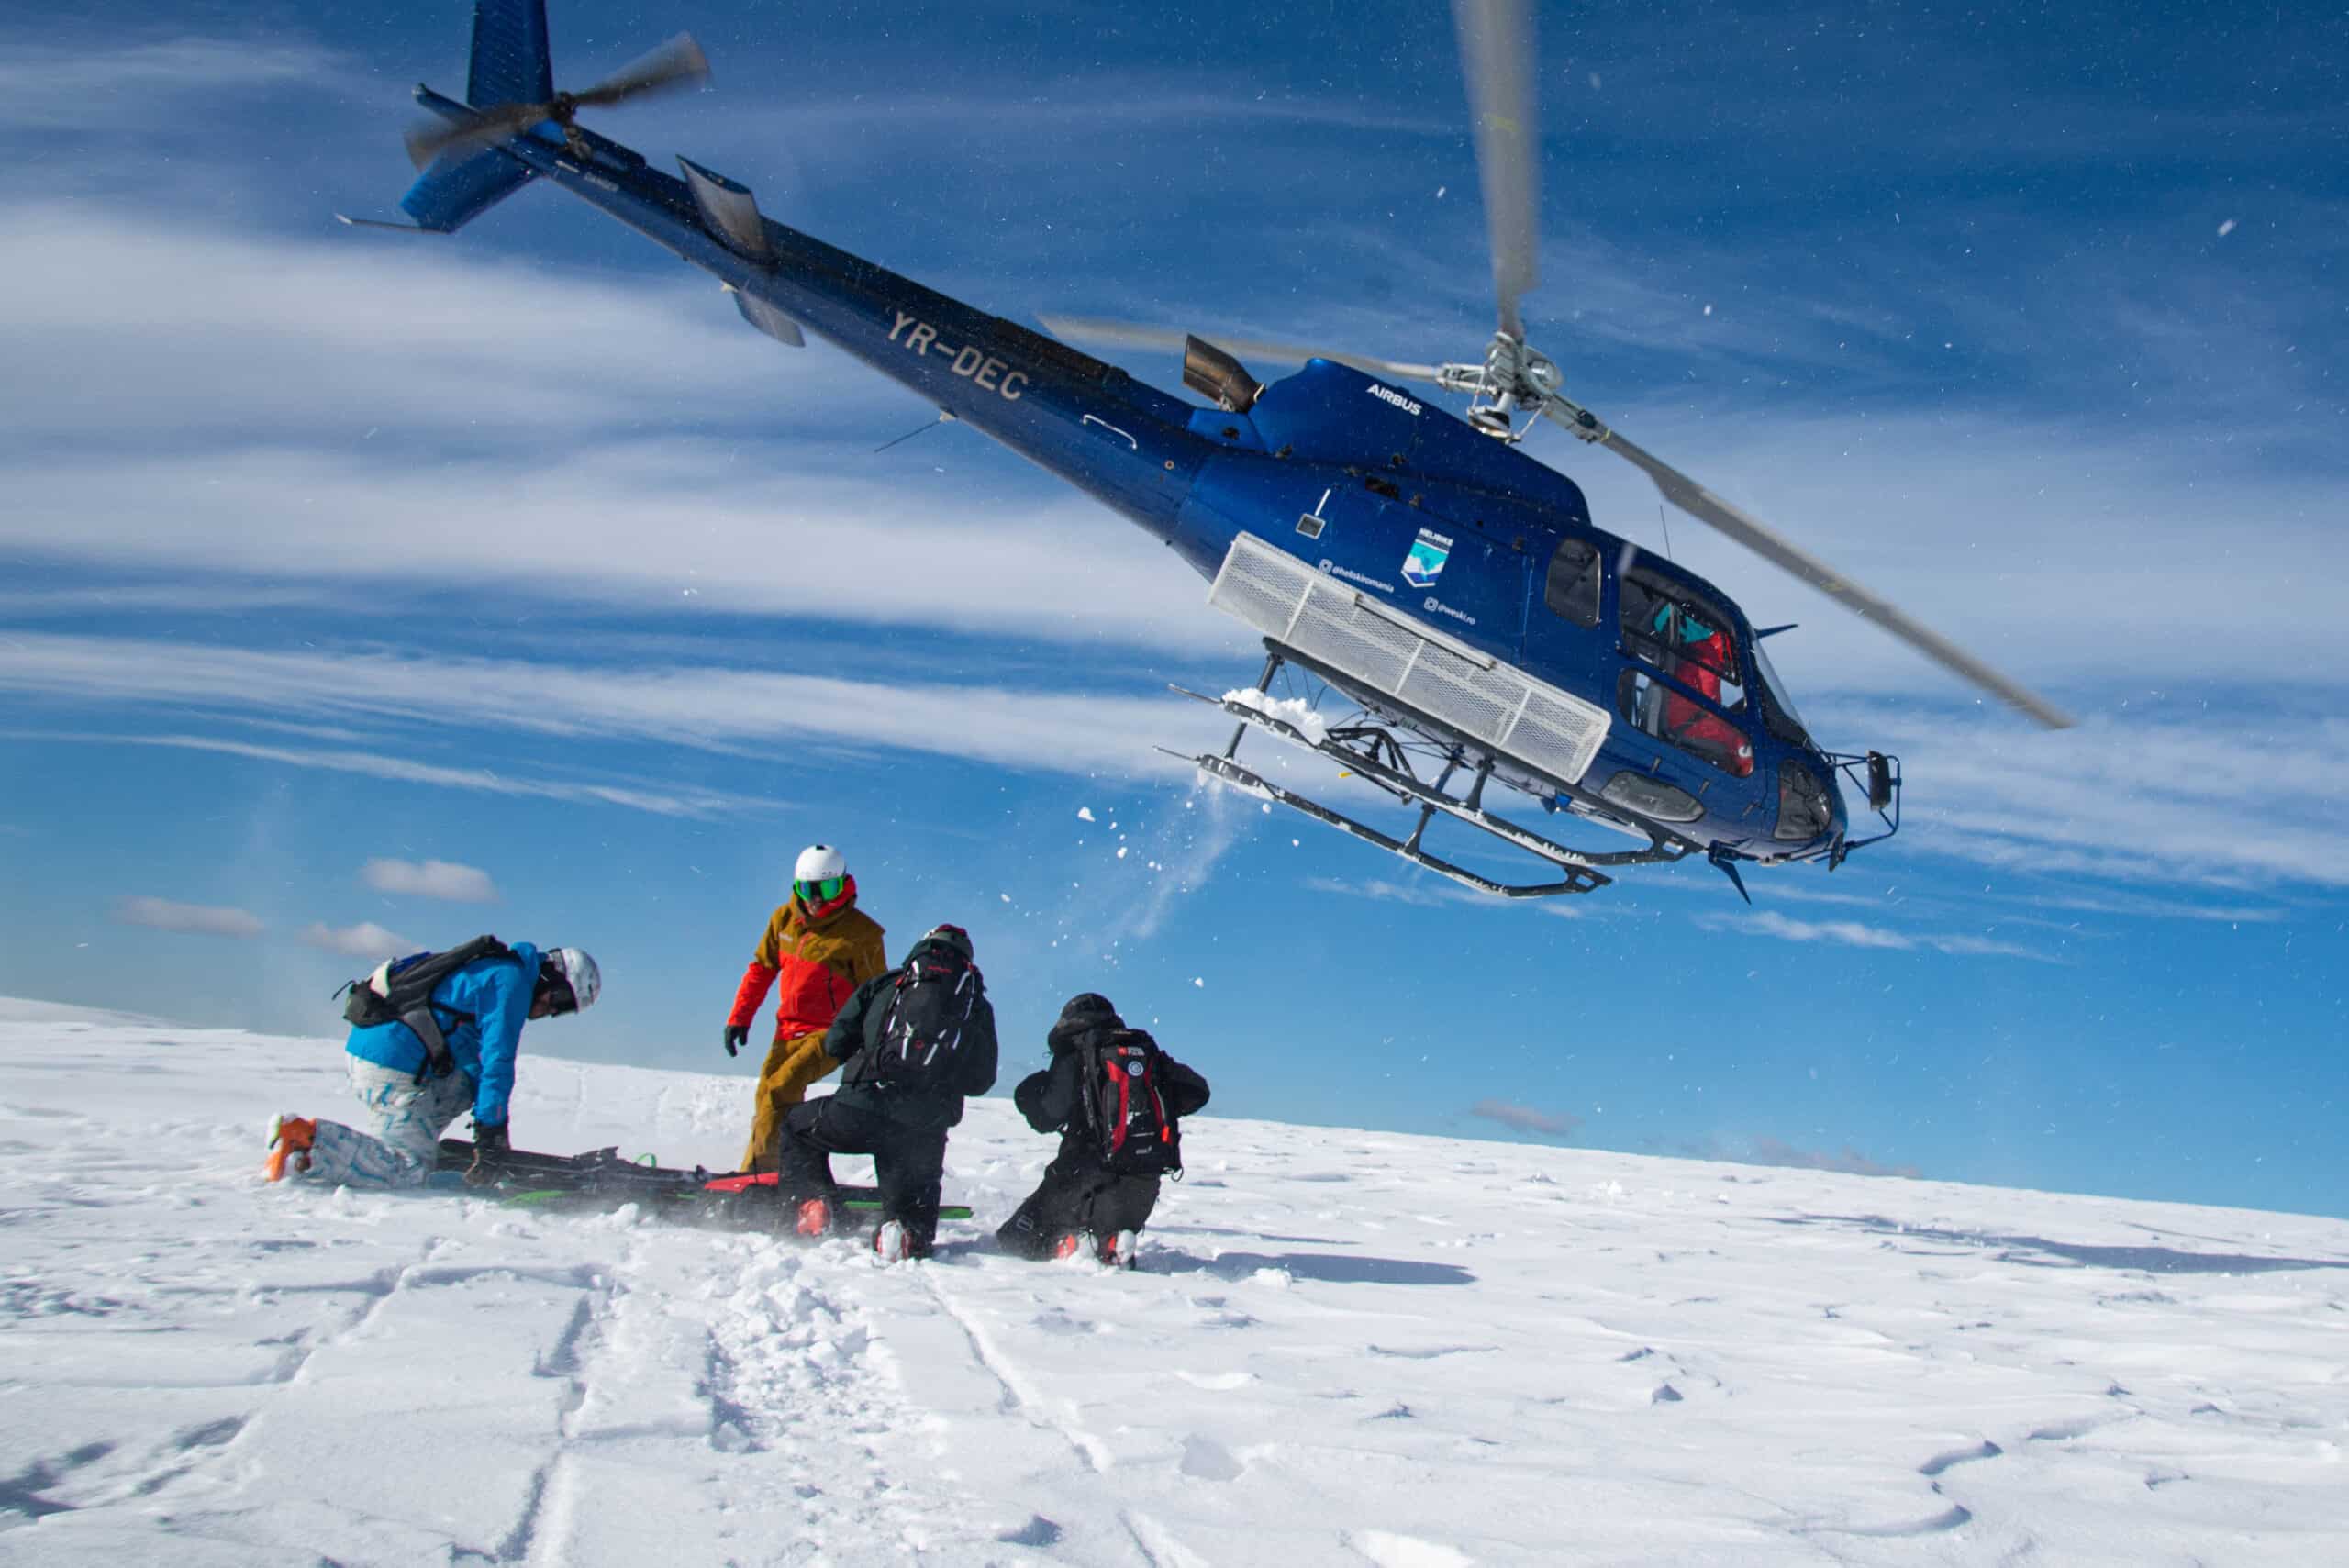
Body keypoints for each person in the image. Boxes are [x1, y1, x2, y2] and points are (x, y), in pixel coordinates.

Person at [263, 942, 600, 1187]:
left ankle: (409, 1140)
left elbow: (474, 1064)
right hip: (392, 1066)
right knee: (407, 1171)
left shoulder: (495, 967)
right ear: (550, 978)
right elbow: (498, 1061)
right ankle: (309, 1140)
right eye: (560, 1000)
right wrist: (492, 1134)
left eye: (564, 1010)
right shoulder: (510, 982)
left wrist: (488, 1134)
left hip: (380, 1056)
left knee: (473, 1083)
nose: (550, 1011)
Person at [774, 924, 996, 1262]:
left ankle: (813, 1202)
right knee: (913, 1199)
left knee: (796, 1126)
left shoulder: (886, 984)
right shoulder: (976, 1005)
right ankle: (902, 1232)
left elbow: (836, 1042)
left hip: (859, 1109)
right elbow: (981, 1080)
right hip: (922, 1128)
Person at [997, 993, 1209, 1268]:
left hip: (1083, 1178)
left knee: (1014, 1240)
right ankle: (1110, 1242)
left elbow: (1047, 1116)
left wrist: (1029, 1093)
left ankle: (1071, 1246)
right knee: (1109, 1223)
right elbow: (1198, 1091)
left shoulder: (1079, 1052)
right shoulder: (1143, 1053)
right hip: (1144, 1185)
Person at [724, 844, 888, 1172]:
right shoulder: (783, 921)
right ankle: (771, 1172)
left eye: (826, 889)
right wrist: (740, 1017)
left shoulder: (862, 934)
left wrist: (874, 1048)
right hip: (787, 1029)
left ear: (842, 885)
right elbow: (762, 969)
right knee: (767, 1097)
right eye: (808, 889)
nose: (816, 899)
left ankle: (761, 1175)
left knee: (781, 1089)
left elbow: (877, 994)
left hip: (830, 1033)